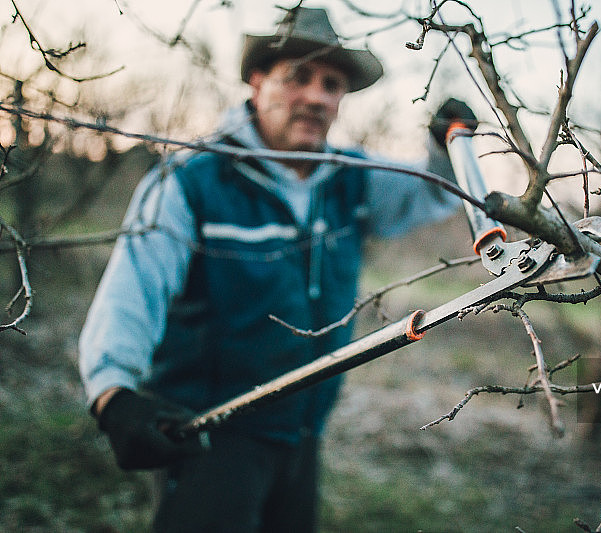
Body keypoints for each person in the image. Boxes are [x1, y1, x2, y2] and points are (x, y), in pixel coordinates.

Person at [79, 6, 476, 533]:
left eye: (331, 84)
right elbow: (133, 289)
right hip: (209, 435)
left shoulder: (350, 179)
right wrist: (114, 395)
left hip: (303, 431)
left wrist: (446, 144)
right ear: (258, 79)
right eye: (298, 76)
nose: (316, 96)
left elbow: (430, 193)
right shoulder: (191, 182)